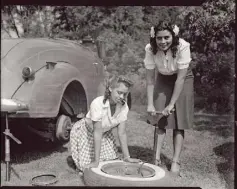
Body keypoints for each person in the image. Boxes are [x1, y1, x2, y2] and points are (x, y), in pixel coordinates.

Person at [144, 21, 194, 175]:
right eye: (159, 38)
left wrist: (171, 104)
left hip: (183, 79)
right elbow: (150, 79)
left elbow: (179, 79)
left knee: (178, 121)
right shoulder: (150, 49)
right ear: (154, 38)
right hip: (163, 78)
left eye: (167, 37)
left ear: (174, 36)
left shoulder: (183, 46)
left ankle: (175, 161)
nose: (163, 42)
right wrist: (151, 104)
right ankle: (156, 159)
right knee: (160, 119)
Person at [70, 75, 140, 172]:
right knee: (86, 167)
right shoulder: (97, 103)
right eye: (119, 93)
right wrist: (96, 161)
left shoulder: (124, 107)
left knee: (110, 162)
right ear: (110, 88)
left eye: (125, 94)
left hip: (104, 133)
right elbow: (97, 132)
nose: (122, 97)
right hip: (86, 132)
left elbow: (122, 133)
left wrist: (127, 157)